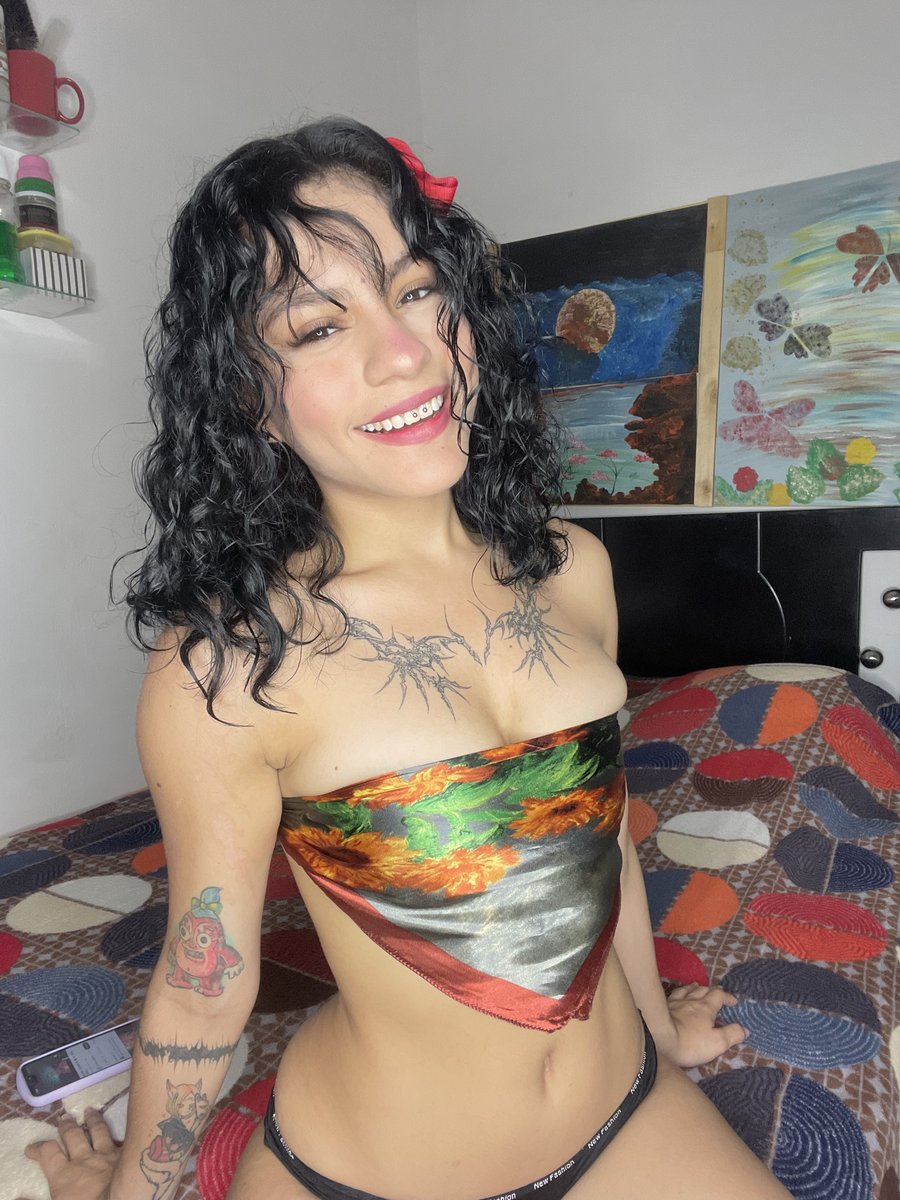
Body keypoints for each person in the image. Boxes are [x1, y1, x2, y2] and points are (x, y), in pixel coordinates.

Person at [26, 117, 792, 1200]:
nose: (406, 351)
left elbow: (604, 838)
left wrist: (662, 1038)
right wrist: (127, 1195)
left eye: (419, 289)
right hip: (373, 1173)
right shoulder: (230, 661)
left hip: (626, 1106)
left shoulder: (573, 569)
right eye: (318, 326)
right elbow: (202, 987)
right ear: (246, 394)